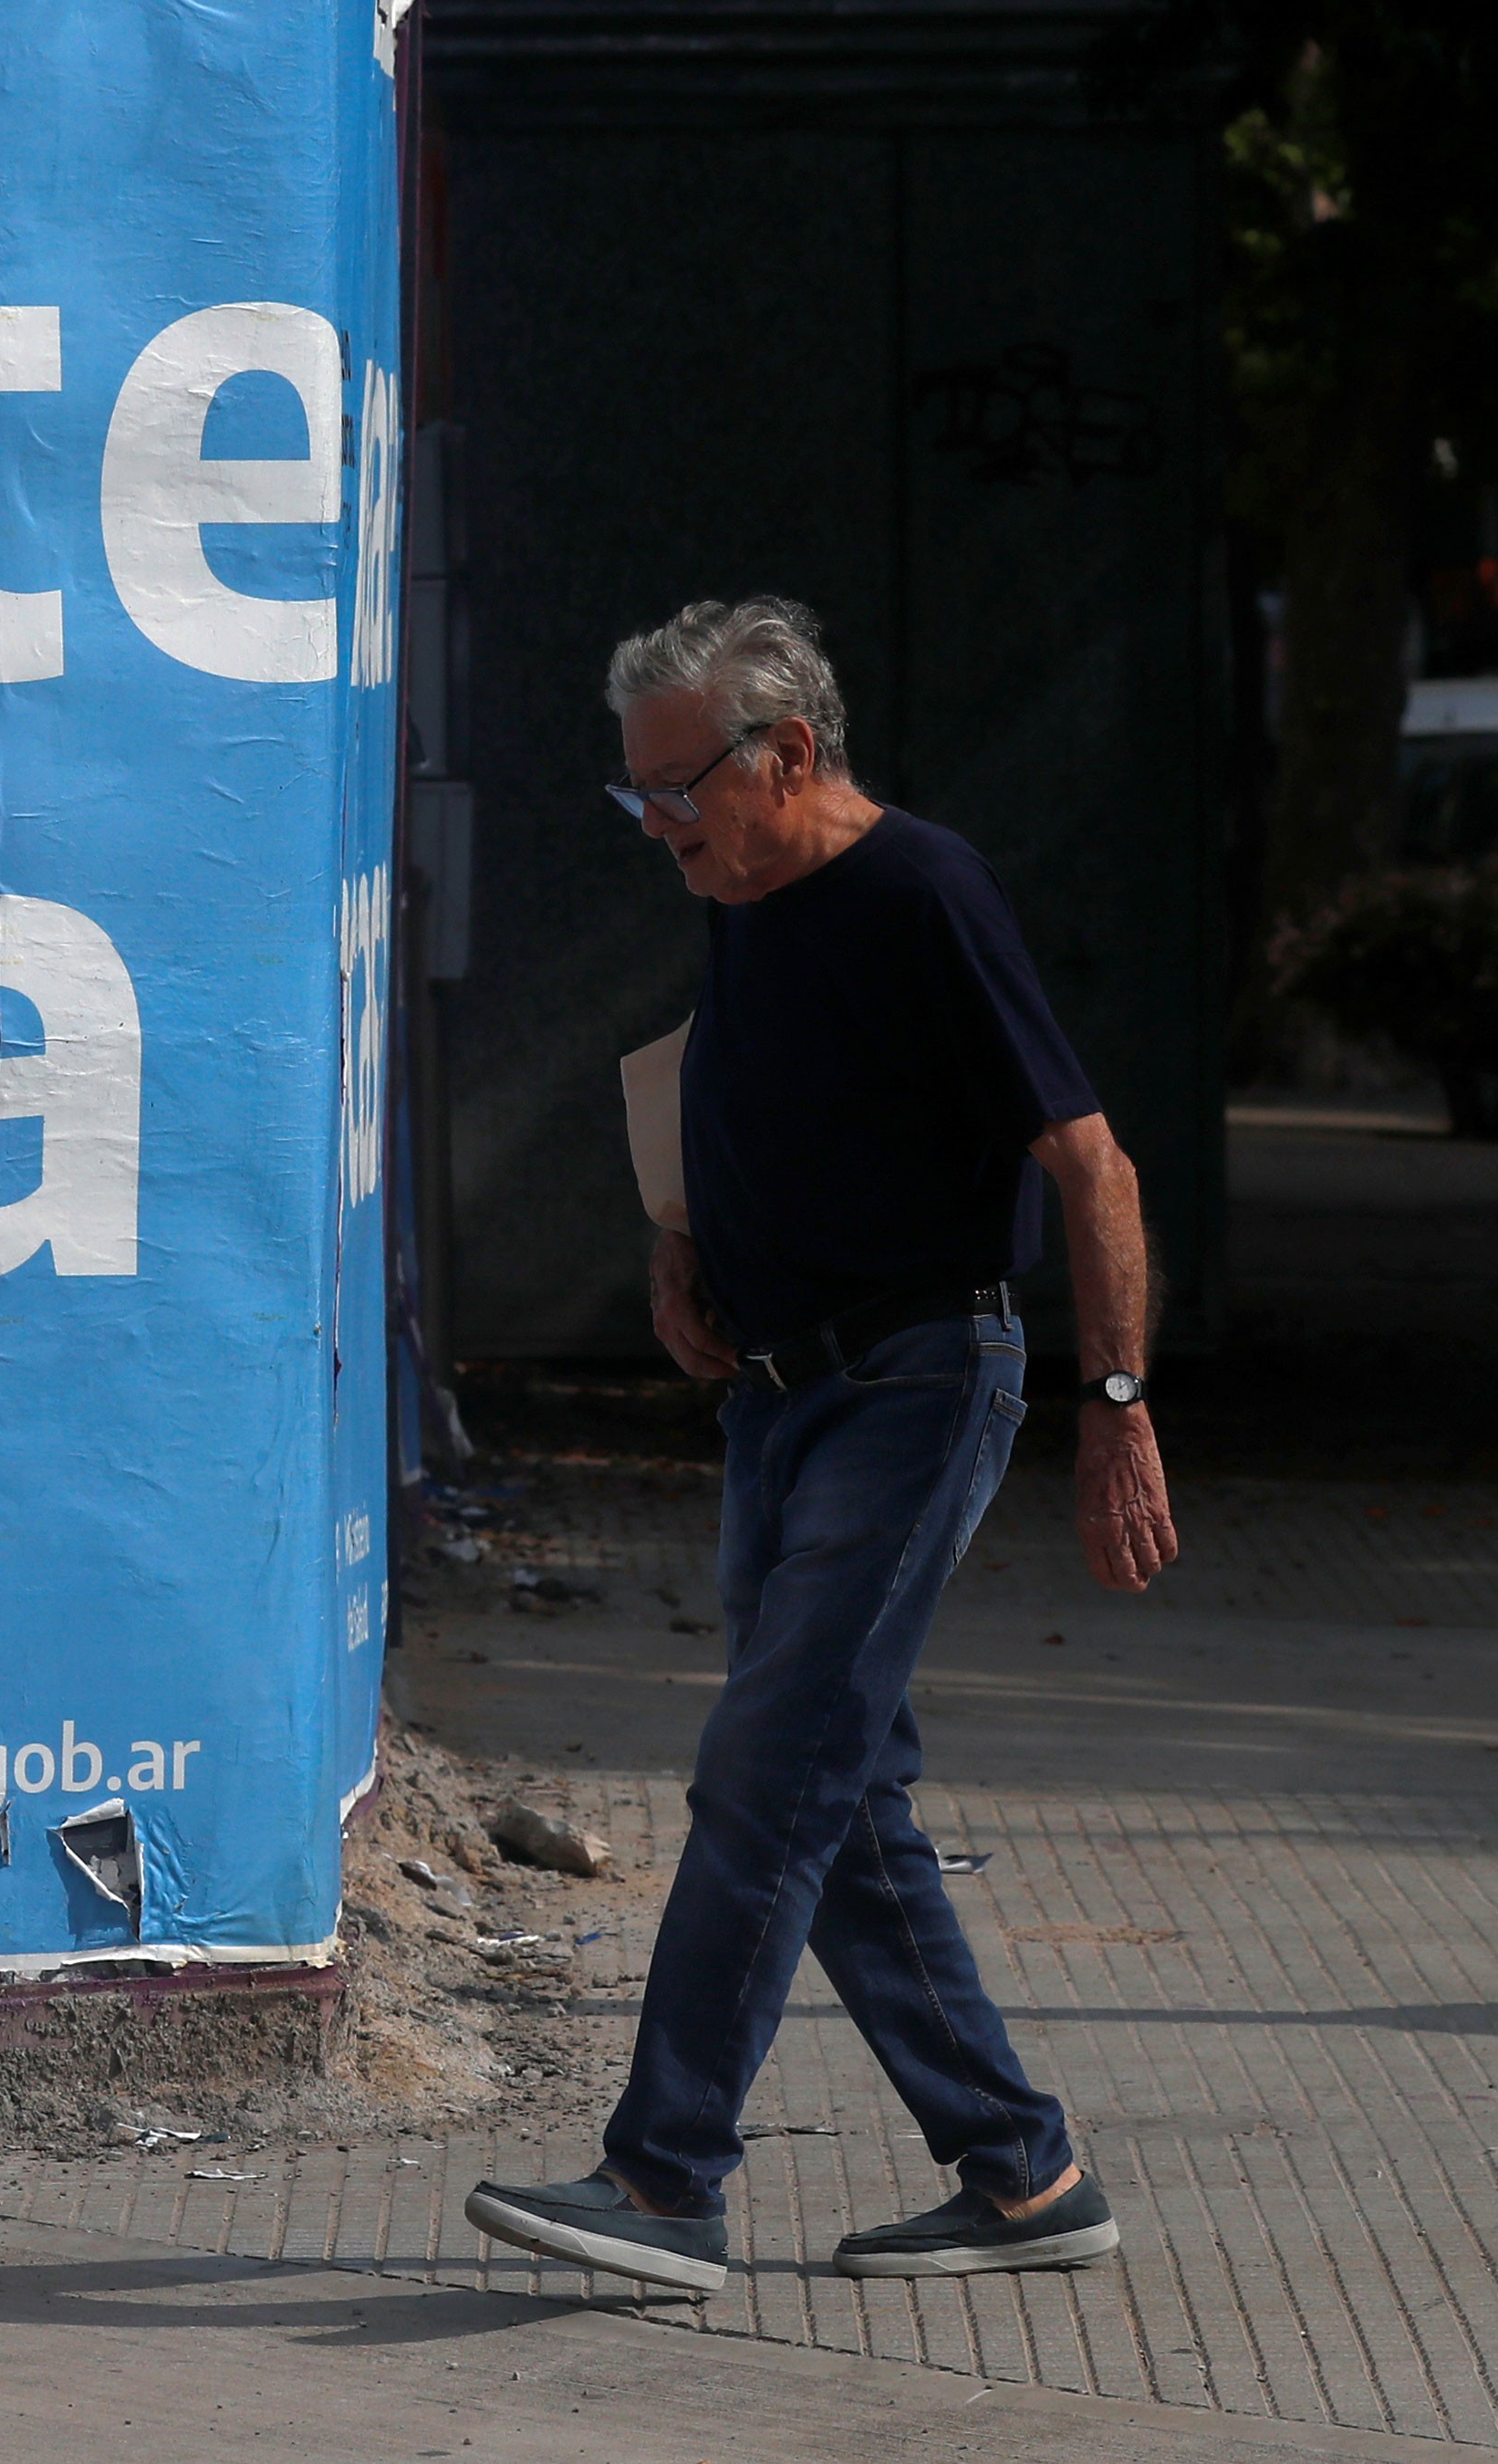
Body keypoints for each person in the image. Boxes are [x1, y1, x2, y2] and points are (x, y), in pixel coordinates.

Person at [464, 597, 1177, 2297]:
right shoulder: (742, 892)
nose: (656, 824)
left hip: (914, 1384)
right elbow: (751, 1084)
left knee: (765, 1768)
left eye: (678, 786)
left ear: (786, 751)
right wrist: (679, 1240)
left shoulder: (921, 887)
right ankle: (1022, 2170)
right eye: (634, 793)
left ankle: (663, 2174)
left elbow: (1092, 1163)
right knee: (836, 1799)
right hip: (778, 1397)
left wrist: (1115, 1409)